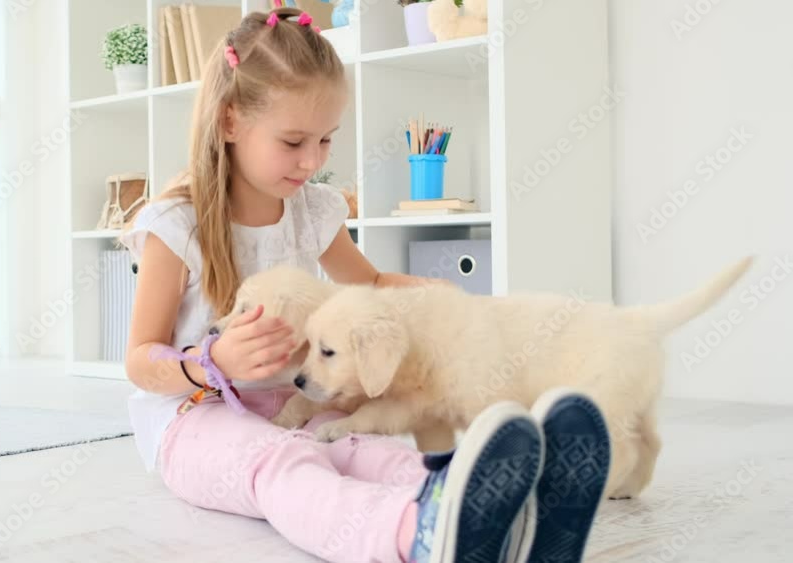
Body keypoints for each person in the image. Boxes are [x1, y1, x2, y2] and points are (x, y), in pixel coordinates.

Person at [121, 7, 611, 563]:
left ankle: (507, 509)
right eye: (293, 141)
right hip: (192, 417)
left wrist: (443, 302)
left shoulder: (310, 211)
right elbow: (140, 360)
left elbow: (371, 282)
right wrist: (215, 363)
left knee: (362, 447)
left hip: (297, 399)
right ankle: (417, 535)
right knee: (280, 462)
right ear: (231, 121)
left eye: (326, 141)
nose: (312, 161)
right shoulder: (175, 226)